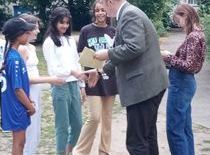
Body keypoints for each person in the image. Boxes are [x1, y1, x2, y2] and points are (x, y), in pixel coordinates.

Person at [94, 0, 169, 154]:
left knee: (136, 142)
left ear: (109, 2)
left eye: (103, 3)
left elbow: (134, 47)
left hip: (142, 88)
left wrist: (107, 53)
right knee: (147, 136)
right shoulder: (129, 13)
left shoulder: (129, 15)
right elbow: (128, 52)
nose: (103, 10)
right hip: (150, 85)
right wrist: (101, 71)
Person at [73, 1, 118, 155]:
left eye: (102, 10)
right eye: (97, 10)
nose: (100, 13)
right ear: (94, 12)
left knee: (107, 120)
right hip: (92, 80)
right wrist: (92, 68)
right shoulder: (86, 30)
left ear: (107, 12)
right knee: (94, 117)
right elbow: (80, 54)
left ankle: (104, 152)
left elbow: (117, 55)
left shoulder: (114, 31)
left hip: (110, 79)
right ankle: (79, 151)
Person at [161, 4, 207, 155]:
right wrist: (171, 61)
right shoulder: (198, 33)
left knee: (174, 130)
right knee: (185, 129)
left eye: (178, 19)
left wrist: (168, 57)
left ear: (185, 15)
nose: (178, 24)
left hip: (181, 84)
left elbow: (189, 66)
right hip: (185, 83)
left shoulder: (193, 36)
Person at [17, 13, 65, 155]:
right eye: (35, 28)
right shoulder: (21, 49)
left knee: (36, 128)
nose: (38, 31)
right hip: (28, 92)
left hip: (36, 91)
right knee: (29, 129)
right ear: (26, 29)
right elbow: (24, 79)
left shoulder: (31, 48)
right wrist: (50, 79)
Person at [42, 7, 87, 155]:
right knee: (62, 126)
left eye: (67, 23)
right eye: (62, 22)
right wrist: (71, 72)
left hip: (74, 85)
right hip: (59, 86)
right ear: (54, 22)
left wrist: (81, 85)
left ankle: (68, 151)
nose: (65, 26)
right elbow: (54, 70)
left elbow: (77, 62)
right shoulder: (49, 42)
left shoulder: (70, 40)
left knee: (78, 125)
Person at [1, 17, 36, 155]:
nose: (29, 34)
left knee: (21, 141)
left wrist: (28, 100)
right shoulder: (14, 58)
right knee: (19, 142)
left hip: (18, 105)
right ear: (18, 35)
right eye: (26, 32)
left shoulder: (12, 54)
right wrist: (30, 106)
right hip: (17, 107)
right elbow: (17, 89)